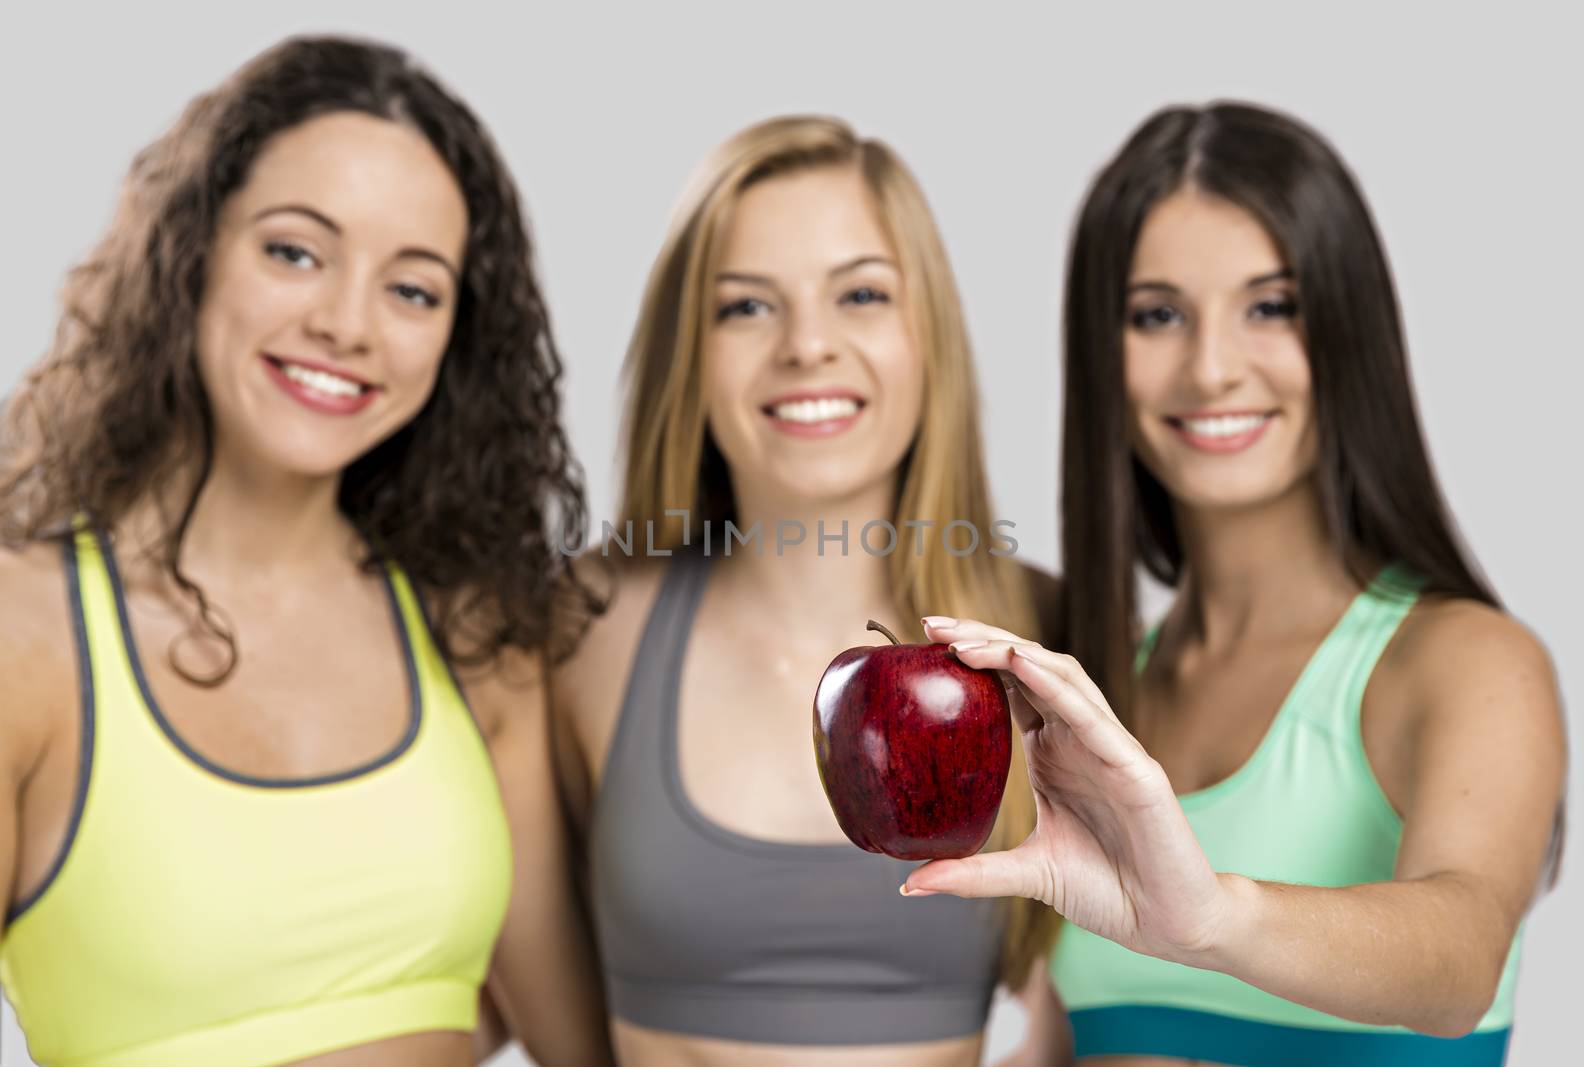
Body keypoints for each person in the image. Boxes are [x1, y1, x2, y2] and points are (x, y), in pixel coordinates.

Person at [0, 35, 611, 1067]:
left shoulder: (470, 632)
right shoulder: (14, 642)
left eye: (412, 290)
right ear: (188, 253)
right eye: (294, 251)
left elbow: (586, 1044)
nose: (346, 323)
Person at [906, 102, 1567, 1067]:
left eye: (1271, 305)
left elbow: (1463, 958)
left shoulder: (1465, 661)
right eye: (1158, 315)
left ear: (1347, 330)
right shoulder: (1100, 693)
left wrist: (1212, 915)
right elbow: (1060, 1047)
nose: (1212, 368)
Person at [549, 115, 1067, 1065]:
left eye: (861, 294)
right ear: (687, 353)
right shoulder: (582, 624)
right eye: (746, 306)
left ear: (930, 335)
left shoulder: (1045, 638)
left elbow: (1095, 1007)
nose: (807, 346)